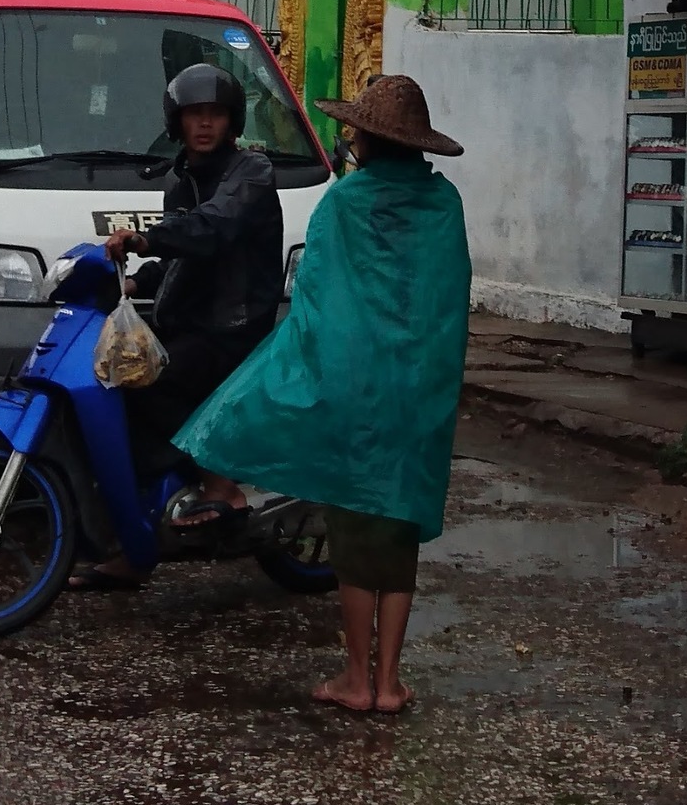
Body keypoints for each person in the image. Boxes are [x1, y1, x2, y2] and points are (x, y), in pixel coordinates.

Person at [179, 71, 470, 720]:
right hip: (418, 391)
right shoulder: (443, 206)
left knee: (354, 535)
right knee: (397, 531)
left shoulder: (345, 204)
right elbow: (449, 302)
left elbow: (318, 303)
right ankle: (390, 682)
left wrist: (289, 375)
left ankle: (358, 677)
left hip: (354, 387)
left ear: (364, 139)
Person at [124, 56, 287, 499]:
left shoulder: (251, 172)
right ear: (177, 121)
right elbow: (181, 255)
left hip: (230, 326)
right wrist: (135, 282)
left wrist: (144, 239)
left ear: (232, 122)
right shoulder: (181, 179)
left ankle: (215, 482)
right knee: (113, 369)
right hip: (189, 319)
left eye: (215, 114)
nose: (205, 124)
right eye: (195, 114)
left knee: (148, 383)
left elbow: (211, 228)